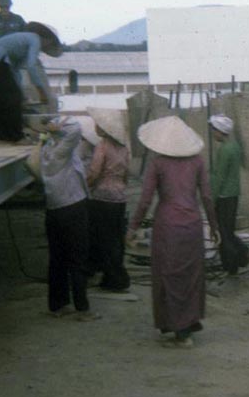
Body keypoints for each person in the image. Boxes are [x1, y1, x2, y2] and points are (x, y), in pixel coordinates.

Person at [126, 116, 218, 348]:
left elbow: (146, 199)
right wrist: (215, 227)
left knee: (167, 275)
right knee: (190, 276)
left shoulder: (157, 163)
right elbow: (206, 196)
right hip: (192, 225)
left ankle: (178, 331)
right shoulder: (197, 162)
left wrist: (133, 227)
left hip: (167, 226)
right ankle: (184, 326)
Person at [40, 116, 96, 321]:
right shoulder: (61, 151)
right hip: (73, 207)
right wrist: (59, 127)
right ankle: (82, 308)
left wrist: (52, 130)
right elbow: (76, 129)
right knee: (78, 258)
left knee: (57, 259)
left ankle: (58, 304)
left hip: (53, 209)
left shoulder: (46, 150)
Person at [0, 21, 61, 144]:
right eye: (49, 43)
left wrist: (21, 93)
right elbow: (31, 66)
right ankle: (14, 136)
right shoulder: (35, 39)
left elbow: (15, 71)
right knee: (12, 98)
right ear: (46, 38)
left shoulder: (22, 43)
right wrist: (40, 91)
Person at [85, 108, 130, 292]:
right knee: (117, 238)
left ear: (105, 129)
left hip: (102, 198)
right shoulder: (124, 147)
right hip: (119, 198)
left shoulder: (102, 146)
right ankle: (117, 274)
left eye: (98, 125)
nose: (95, 127)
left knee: (102, 239)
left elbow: (95, 172)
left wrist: (86, 186)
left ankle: (111, 277)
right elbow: (127, 174)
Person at [209, 114, 249, 275]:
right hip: (234, 194)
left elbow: (219, 177)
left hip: (224, 196)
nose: (213, 133)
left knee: (224, 233)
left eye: (214, 130)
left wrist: (212, 198)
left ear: (220, 131)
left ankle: (232, 264)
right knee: (229, 230)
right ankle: (240, 255)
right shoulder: (235, 147)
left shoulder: (224, 150)